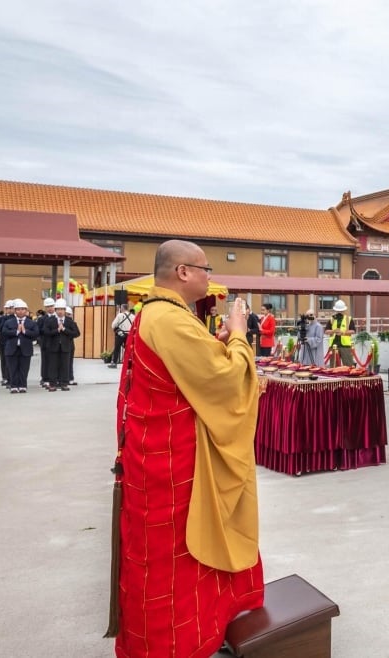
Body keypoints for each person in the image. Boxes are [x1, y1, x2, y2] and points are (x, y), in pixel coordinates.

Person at [110, 239, 263, 657]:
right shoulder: (169, 320)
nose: (209, 276)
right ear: (182, 273)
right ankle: (176, 644)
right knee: (175, 559)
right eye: (205, 268)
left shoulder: (158, 314)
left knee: (166, 559)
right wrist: (238, 334)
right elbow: (227, 379)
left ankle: (191, 633)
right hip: (174, 464)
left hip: (158, 453)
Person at [0, 299, 38, 393]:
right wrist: (16, 331)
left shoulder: (31, 323)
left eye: (22, 309)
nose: (20, 311)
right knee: (12, 368)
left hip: (26, 349)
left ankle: (22, 385)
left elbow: (36, 333)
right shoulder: (9, 322)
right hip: (12, 348)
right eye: (18, 309)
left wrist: (25, 331)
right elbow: (4, 332)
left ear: (26, 310)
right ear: (15, 311)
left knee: (24, 368)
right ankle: (13, 385)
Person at [44, 301, 80, 390]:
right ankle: (52, 383)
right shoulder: (50, 320)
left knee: (65, 365)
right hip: (53, 346)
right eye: (58, 309)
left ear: (64, 310)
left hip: (66, 347)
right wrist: (57, 330)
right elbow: (46, 332)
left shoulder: (69, 321)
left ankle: (64, 383)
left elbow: (76, 333)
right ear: (55, 310)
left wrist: (64, 329)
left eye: (62, 309)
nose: (60, 311)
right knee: (53, 365)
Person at [37, 297, 57, 388]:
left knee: (55, 361)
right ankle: (45, 378)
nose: (50, 308)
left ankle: (55, 378)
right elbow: (38, 331)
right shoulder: (42, 319)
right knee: (45, 361)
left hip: (56, 343)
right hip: (45, 342)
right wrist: (41, 341)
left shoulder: (58, 317)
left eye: (51, 306)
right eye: (48, 306)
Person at [327, 300, 355, 366]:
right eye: (338, 311)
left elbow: (353, 331)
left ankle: (348, 376)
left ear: (343, 310)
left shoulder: (348, 319)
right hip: (334, 345)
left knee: (348, 365)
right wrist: (334, 331)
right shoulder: (332, 319)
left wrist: (343, 333)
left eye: (340, 311)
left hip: (345, 346)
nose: (339, 312)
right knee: (334, 366)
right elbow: (326, 331)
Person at [109, 304, 134, 368]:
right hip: (129, 335)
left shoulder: (120, 315)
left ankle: (114, 363)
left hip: (120, 334)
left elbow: (113, 325)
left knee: (117, 349)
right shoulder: (133, 316)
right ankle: (129, 363)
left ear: (122, 308)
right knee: (128, 349)